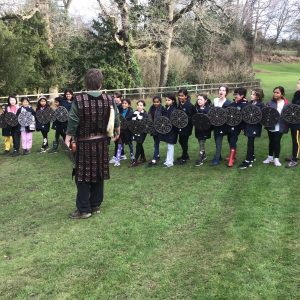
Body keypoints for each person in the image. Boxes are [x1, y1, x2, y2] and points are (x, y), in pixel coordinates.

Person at [65, 68, 120, 219]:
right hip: (102, 143)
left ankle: (84, 209)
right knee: (98, 172)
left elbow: (73, 121)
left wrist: (68, 138)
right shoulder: (109, 99)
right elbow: (115, 118)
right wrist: (117, 130)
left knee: (82, 177)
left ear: (86, 83)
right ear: (100, 83)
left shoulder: (78, 100)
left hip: (84, 144)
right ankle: (95, 204)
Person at [239, 89, 265, 169]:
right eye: (251, 94)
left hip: (255, 127)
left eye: (253, 94)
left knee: (250, 142)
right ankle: (252, 156)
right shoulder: (249, 103)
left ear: (258, 96)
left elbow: (260, 117)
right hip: (248, 126)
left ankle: (248, 161)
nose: (251, 95)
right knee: (250, 141)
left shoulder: (261, 105)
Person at [263, 86, 289, 167]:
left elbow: (288, 115)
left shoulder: (286, 103)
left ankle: (276, 159)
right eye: (274, 92)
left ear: (282, 94)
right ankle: (270, 157)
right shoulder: (270, 102)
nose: (275, 94)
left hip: (280, 126)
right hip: (271, 126)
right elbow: (266, 113)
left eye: (277, 93)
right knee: (271, 141)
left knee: (277, 141)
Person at [226, 87, 248, 167]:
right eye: (235, 94)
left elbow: (245, 117)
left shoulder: (244, 105)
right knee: (229, 140)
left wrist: (243, 127)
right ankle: (233, 156)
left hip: (237, 127)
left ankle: (231, 160)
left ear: (242, 96)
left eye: (237, 94)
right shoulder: (232, 103)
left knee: (233, 141)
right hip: (229, 125)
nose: (235, 95)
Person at [211, 86, 231, 166]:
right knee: (216, 141)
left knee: (219, 141)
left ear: (226, 93)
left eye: (223, 90)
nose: (221, 91)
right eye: (220, 90)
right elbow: (212, 111)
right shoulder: (215, 100)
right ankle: (219, 156)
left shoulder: (228, 103)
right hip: (215, 125)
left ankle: (216, 159)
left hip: (224, 125)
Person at [175, 88, 195, 165]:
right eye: (179, 96)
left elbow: (192, 117)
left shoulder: (190, 106)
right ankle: (185, 155)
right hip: (180, 127)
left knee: (184, 141)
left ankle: (184, 157)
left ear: (186, 96)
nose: (180, 97)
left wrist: (184, 119)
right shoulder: (179, 104)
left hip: (187, 127)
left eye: (182, 96)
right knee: (180, 140)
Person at [159, 93, 178, 168]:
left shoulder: (174, 109)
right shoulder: (167, 108)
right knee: (169, 146)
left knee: (170, 146)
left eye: (169, 100)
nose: (167, 101)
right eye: (166, 100)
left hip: (172, 131)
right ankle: (169, 160)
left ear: (173, 101)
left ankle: (169, 162)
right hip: (167, 130)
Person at [194, 94, 212, 166]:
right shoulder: (196, 108)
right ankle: (204, 155)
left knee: (202, 143)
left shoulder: (209, 109)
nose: (199, 101)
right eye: (198, 99)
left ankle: (200, 159)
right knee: (200, 141)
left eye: (201, 99)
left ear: (205, 100)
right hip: (198, 130)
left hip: (205, 130)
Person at [286, 79, 300, 168]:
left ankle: (294, 159)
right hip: (293, 121)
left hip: (298, 122)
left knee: (296, 141)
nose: (297, 85)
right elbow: (292, 106)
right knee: (294, 139)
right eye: (298, 83)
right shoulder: (297, 94)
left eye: (299, 83)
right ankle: (294, 155)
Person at [109, 91, 126, 163]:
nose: (115, 99)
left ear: (120, 98)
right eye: (114, 97)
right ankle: (122, 155)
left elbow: (121, 116)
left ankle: (116, 156)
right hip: (116, 125)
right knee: (119, 140)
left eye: (117, 97)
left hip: (120, 126)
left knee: (117, 140)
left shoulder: (121, 106)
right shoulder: (114, 105)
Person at [130, 100, 148, 167]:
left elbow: (145, 124)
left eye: (141, 105)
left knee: (138, 144)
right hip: (135, 131)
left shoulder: (145, 114)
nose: (139, 106)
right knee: (139, 144)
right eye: (138, 105)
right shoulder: (134, 112)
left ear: (143, 106)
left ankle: (135, 160)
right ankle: (143, 157)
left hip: (142, 132)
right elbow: (132, 122)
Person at [148, 96, 163, 166]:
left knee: (156, 143)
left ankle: (154, 159)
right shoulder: (151, 108)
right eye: (154, 102)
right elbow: (149, 117)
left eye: (157, 102)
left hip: (160, 129)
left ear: (160, 102)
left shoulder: (162, 108)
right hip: (153, 129)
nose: (156, 103)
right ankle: (157, 155)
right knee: (156, 143)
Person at [119, 99, 134, 164]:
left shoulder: (131, 112)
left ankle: (132, 157)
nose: (124, 104)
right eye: (123, 103)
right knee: (120, 144)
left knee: (130, 144)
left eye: (125, 103)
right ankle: (117, 158)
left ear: (128, 105)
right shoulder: (120, 111)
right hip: (121, 130)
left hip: (128, 131)